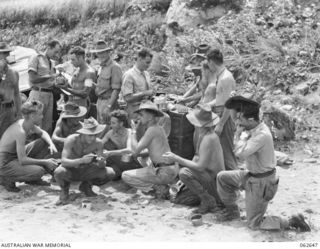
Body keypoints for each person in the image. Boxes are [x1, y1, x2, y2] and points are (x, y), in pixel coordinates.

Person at [216, 96, 311, 232]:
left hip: (262, 182)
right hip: (251, 175)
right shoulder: (252, 127)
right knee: (222, 178)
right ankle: (233, 212)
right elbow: (234, 115)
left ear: (250, 119)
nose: (238, 122)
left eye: (240, 119)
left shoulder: (262, 135)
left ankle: (290, 221)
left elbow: (240, 153)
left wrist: (239, 135)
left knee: (254, 224)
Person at [163, 104, 225, 214]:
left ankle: (209, 200)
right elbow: (196, 158)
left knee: (184, 173)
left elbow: (200, 167)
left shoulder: (209, 138)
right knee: (178, 198)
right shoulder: (203, 134)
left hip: (214, 181)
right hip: (208, 177)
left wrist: (176, 158)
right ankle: (209, 198)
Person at [54, 117, 116, 205]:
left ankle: (86, 185)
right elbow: (63, 162)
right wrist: (81, 160)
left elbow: (101, 166)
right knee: (59, 171)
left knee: (110, 173)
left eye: (95, 135)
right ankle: (65, 190)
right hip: (71, 169)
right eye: (90, 135)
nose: (93, 138)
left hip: (87, 170)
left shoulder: (98, 143)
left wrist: (101, 161)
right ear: (83, 133)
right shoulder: (71, 140)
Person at [0, 100, 59, 192]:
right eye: (40, 114)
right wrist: (45, 162)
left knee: (43, 142)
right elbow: (23, 160)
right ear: (32, 116)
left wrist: (51, 144)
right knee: (39, 171)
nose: (42, 117)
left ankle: (31, 179)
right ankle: (5, 178)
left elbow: (42, 133)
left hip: (15, 156)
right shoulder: (20, 132)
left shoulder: (27, 122)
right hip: (5, 162)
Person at [122, 101, 179, 195]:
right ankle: (160, 185)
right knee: (142, 158)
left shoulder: (152, 130)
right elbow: (143, 152)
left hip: (164, 172)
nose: (138, 117)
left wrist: (133, 131)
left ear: (150, 117)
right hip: (171, 169)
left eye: (141, 115)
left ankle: (158, 189)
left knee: (125, 175)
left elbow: (135, 150)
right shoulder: (158, 128)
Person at [205, 49, 237, 171]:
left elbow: (229, 104)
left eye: (208, 63)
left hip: (225, 117)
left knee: (227, 153)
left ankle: (236, 181)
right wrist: (207, 105)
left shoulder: (225, 78)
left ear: (211, 62)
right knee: (221, 152)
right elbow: (220, 99)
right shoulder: (222, 76)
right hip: (220, 114)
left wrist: (221, 124)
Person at [28, 39, 62, 134]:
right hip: (38, 93)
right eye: (55, 51)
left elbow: (52, 81)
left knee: (47, 125)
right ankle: (32, 147)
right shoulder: (36, 57)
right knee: (34, 124)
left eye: (58, 52)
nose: (56, 54)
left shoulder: (52, 62)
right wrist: (50, 76)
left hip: (49, 94)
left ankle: (45, 147)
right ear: (49, 48)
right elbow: (33, 78)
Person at [102, 110, 142, 179]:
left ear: (121, 124)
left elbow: (129, 150)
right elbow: (100, 143)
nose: (111, 125)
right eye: (110, 123)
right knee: (106, 147)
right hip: (120, 160)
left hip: (133, 161)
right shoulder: (110, 133)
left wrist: (109, 153)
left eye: (113, 123)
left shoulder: (129, 132)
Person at [92, 41, 122, 125]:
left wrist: (109, 107)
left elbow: (116, 90)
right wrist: (93, 85)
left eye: (103, 52)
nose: (101, 55)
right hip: (99, 102)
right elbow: (103, 87)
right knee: (100, 129)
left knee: (108, 129)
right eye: (98, 53)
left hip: (109, 103)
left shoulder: (114, 67)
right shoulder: (101, 67)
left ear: (108, 52)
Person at [121, 47, 154, 120]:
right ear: (139, 59)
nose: (149, 65)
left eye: (150, 63)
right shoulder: (129, 75)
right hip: (134, 111)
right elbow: (128, 98)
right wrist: (144, 93)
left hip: (146, 108)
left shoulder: (146, 74)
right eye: (147, 62)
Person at [0, 42, 22, 140]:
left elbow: (17, 93)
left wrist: (19, 111)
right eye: (4, 53)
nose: (6, 56)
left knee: (10, 138)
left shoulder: (14, 73)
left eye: (7, 53)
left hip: (10, 109)